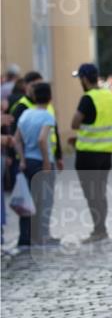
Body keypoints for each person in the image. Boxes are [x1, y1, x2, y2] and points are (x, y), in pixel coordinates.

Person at [69, 63, 112, 243]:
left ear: (84, 79)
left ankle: (99, 231)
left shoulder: (88, 98)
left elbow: (75, 123)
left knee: (92, 194)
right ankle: (102, 229)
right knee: (100, 192)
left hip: (88, 155)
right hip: (107, 154)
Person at [13, 81, 57, 248]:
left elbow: (17, 139)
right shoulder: (47, 116)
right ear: (50, 98)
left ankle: (25, 238)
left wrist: (22, 158)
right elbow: (41, 139)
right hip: (42, 162)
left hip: (28, 162)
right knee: (44, 201)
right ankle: (41, 237)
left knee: (27, 200)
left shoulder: (25, 114)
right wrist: (46, 162)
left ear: (32, 97)